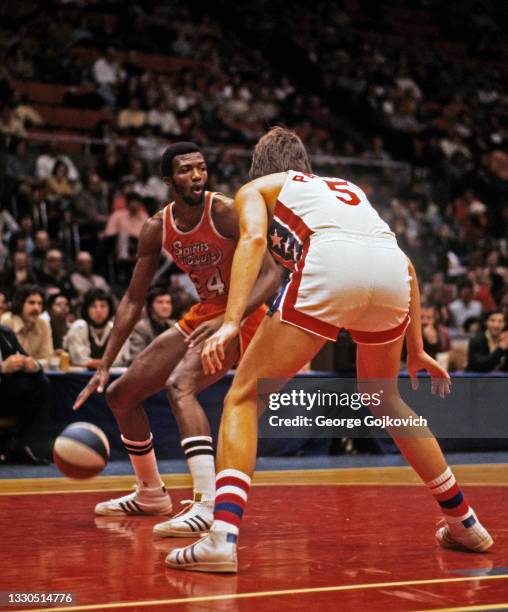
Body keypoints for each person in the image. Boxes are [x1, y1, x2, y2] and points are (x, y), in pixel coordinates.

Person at [166, 127, 493, 573]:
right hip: (392, 273)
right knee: (385, 398)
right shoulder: (346, 190)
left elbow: (254, 242)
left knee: (243, 396)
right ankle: (464, 522)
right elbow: (406, 265)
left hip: (329, 264)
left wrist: (229, 323)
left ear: (260, 168)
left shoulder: (256, 189)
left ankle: (221, 537)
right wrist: (416, 348)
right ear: (305, 165)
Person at [73, 143, 280, 535]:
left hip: (245, 312)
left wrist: (230, 318)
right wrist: (104, 362)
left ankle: (206, 504)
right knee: (120, 395)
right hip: (207, 311)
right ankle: (151, 493)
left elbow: (271, 275)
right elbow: (134, 300)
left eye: (201, 168)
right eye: (186, 170)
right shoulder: (156, 227)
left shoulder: (223, 210)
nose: (197, 176)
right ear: (168, 180)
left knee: (180, 386)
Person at [0, 324, 50, 464]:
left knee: (41, 384)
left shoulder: (6, 333)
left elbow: (26, 358)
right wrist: (2, 368)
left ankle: (27, 446)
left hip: (3, 396)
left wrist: (33, 366)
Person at [64, 288, 128, 369]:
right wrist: (103, 364)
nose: (98, 310)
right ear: (86, 309)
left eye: (103, 306)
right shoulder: (79, 326)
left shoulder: (116, 329)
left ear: (110, 308)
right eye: (93, 306)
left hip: (111, 377)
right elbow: (79, 360)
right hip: (79, 378)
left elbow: (119, 361)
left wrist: (97, 364)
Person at [1, 285, 54, 364]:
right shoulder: (6, 321)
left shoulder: (43, 324)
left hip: (34, 373)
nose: (36, 308)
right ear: (20, 303)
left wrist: (32, 364)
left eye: (40, 304)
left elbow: (47, 357)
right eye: (31, 302)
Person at [128, 286, 176, 362]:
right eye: (160, 302)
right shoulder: (141, 328)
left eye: (168, 302)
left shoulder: (174, 326)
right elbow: (136, 358)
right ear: (150, 306)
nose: (165, 306)